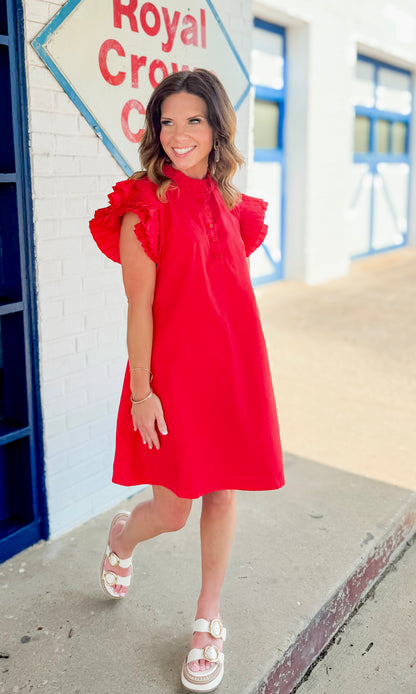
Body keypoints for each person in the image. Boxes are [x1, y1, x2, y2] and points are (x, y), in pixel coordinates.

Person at [89, 68, 284, 693]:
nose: (178, 134)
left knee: (224, 495)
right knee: (173, 510)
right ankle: (124, 535)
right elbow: (140, 306)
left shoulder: (233, 205)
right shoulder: (142, 204)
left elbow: (220, 294)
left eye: (193, 120)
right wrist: (143, 393)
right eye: (166, 122)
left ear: (216, 125)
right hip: (170, 380)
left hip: (232, 369)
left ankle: (208, 621)